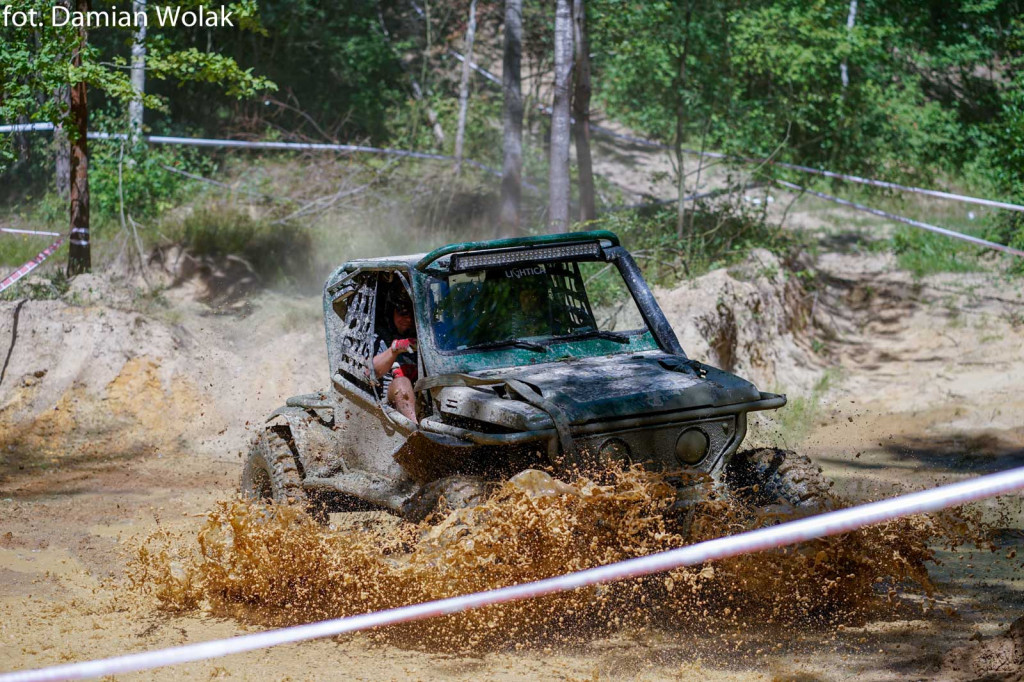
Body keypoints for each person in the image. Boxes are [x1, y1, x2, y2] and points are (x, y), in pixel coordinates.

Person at [372, 286, 419, 424]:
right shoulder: (380, 339)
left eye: (412, 314)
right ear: (391, 312)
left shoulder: (429, 337)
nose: (408, 319)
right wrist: (394, 349)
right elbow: (371, 372)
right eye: (402, 313)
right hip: (391, 406)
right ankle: (415, 429)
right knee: (401, 384)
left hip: (424, 397)